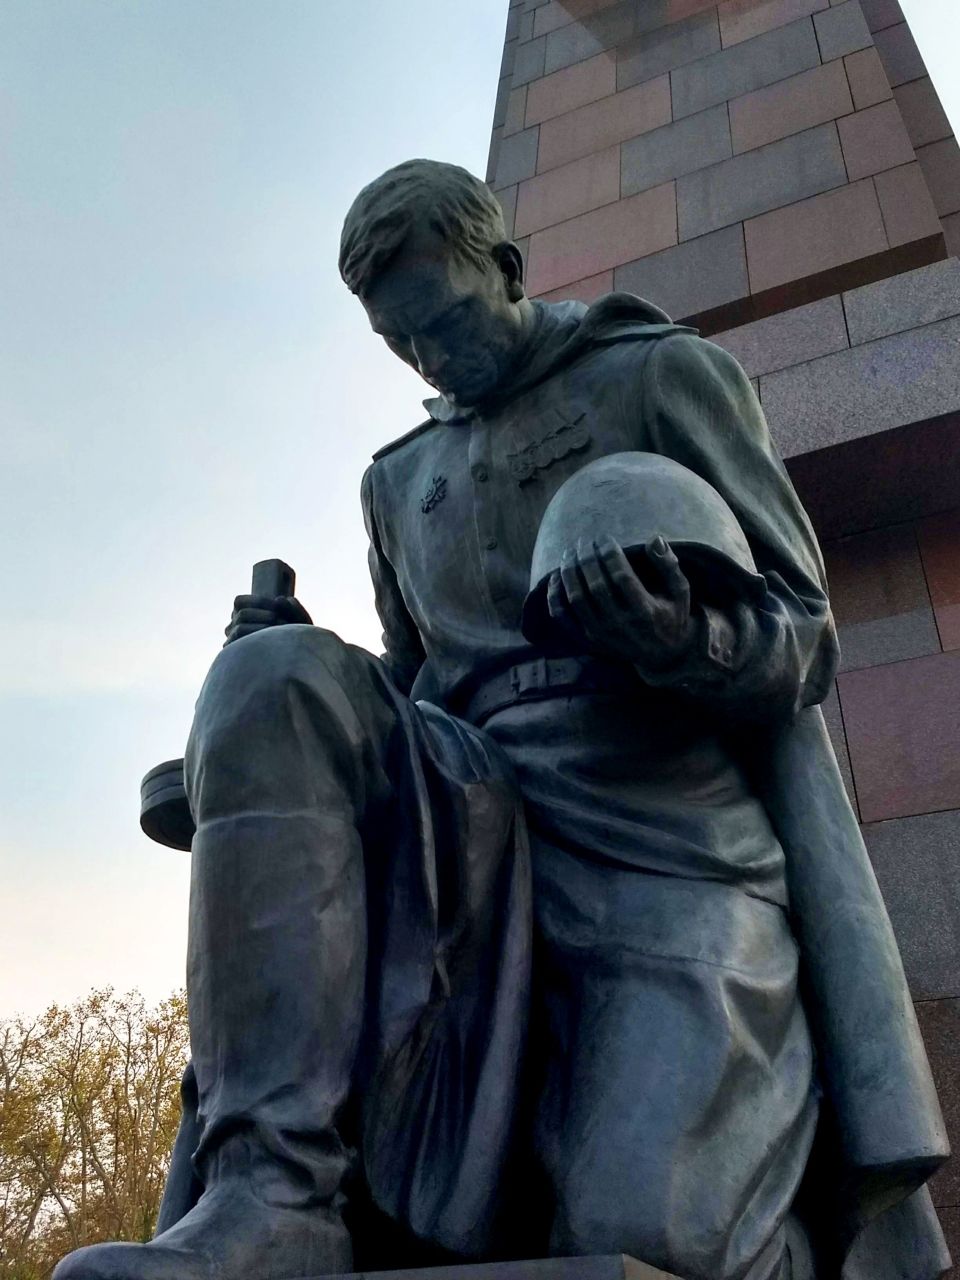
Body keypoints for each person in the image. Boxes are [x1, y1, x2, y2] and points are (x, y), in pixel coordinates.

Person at [54, 160, 950, 1280]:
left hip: (665, 832)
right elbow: (412, 684)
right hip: (474, 829)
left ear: (509, 270)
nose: (431, 360)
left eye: (444, 322)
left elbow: (804, 632)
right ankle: (273, 1194)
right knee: (275, 672)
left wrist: (678, 636)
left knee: (647, 1234)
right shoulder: (399, 479)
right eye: (402, 343)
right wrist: (269, 731)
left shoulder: (663, 376)